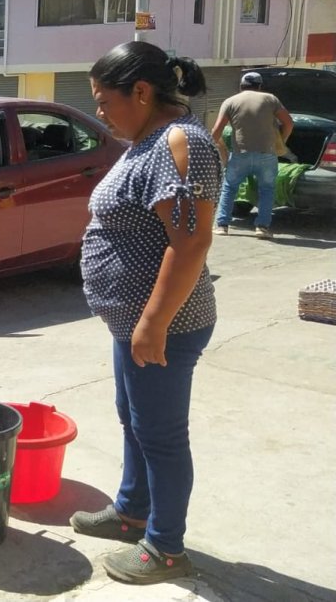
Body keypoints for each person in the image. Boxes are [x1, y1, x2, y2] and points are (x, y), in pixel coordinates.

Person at [71, 41, 222, 585]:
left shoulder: (180, 143)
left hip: (165, 326)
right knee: (133, 422)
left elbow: (190, 244)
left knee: (159, 434)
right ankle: (131, 513)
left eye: (104, 101)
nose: (100, 113)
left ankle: (165, 546)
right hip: (132, 323)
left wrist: (154, 323)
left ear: (141, 91)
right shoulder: (150, 141)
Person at [210, 71, 293, 240]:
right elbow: (289, 123)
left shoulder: (230, 101)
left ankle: (222, 225)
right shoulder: (271, 99)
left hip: (240, 154)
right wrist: (280, 142)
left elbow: (216, 132)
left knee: (229, 187)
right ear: (260, 86)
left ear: (241, 86)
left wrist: (222, 152)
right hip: (267, 154)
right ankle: (262, 227)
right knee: (267, 190)